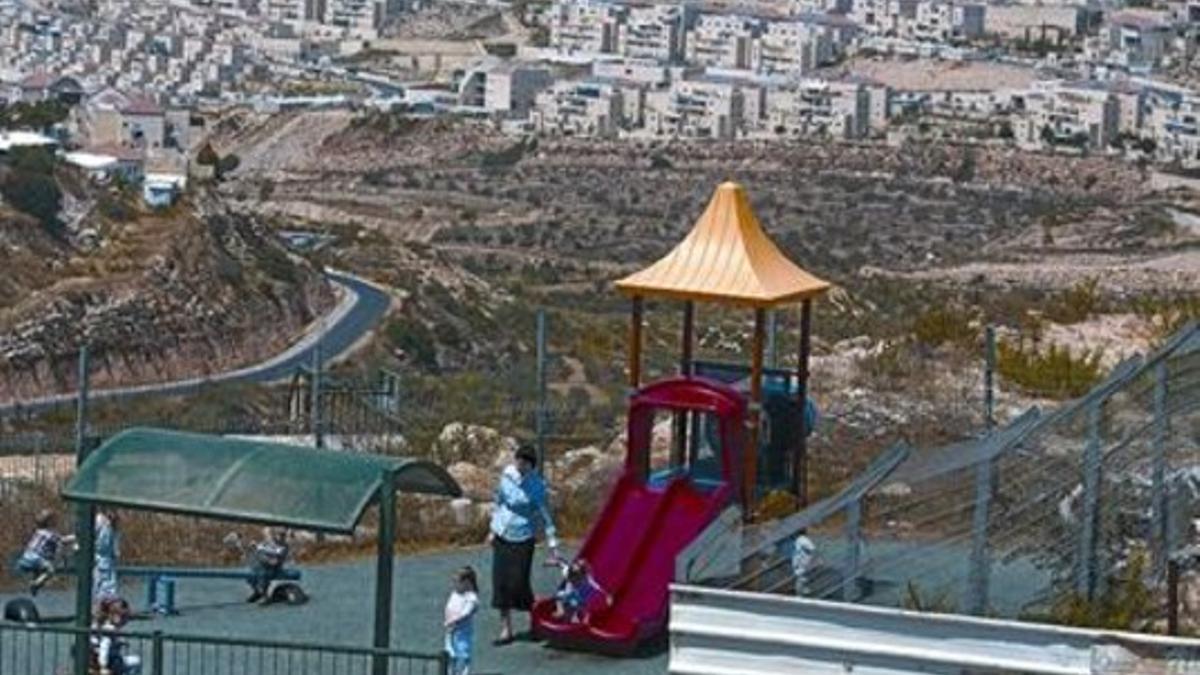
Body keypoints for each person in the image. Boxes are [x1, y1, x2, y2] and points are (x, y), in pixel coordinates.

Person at [488, 444, 558, 645]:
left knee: (519, 583)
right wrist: (492, 530)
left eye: (525, 461)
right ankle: (505, 629)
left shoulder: (537, 485)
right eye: (519, 459)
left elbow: (546, 516)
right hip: (502, 533)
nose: (521, 464)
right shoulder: (507, 476)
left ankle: (535, 621)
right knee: (500, 582)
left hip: (523, 536)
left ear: (532, 465)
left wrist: (552, 545)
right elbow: (499, 502)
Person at [18, 509, 76, 596]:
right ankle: (35, 584)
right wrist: (77, 536)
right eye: (53, 520)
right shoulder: (49, 533)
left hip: (25, 557)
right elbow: (63, 540)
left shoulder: (38, 532)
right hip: (36, 557)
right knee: (50, 571)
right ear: (49, 522)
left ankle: (36, 585)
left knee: (39, 570)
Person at [551, 558, 613, 624]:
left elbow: (595, 585)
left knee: (577, 603)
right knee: (562, 596)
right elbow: (563, 566)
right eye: (575, 564)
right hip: (576, 594)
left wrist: (606, 594)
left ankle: (578, 618)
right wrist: (556, 563)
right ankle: (561, 611)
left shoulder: (586, 577)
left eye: (577, 565)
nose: (574, 565)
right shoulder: (570, 574)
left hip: (583, 596)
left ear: (581, 569)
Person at [443, 567, 479, 675]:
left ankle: (464, 672)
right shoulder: (455, 594)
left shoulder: (471, 598)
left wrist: (452, 620)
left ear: (467, 582)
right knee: (450, 654)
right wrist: (448, 619)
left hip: (462, 632)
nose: (455, 584)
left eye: (457, 581)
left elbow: (466, 613)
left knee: (463, 654)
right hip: (451, 631)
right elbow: (448, 607)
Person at [92, 597, 141, 675]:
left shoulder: (97, 624)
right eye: (125, 618)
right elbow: (104, 647)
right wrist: (103, 667)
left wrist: (120, 642)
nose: (126, 621)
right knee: (136, 661)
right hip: (107, 662)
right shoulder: (109, 629)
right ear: (117, 617)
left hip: (97, 658)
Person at [246, 527, 289, 604]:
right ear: (275, 535)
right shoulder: (267, 543)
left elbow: (281, 556)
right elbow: (260, 553)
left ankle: (264, 595)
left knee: (263, 573)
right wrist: (267, 560)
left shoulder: (284, 546)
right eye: (279, 534)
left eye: (283, 535)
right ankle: (257, 592)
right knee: (251, 574)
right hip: (263, 564)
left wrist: (276, 561)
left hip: (274, 567)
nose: (281, 537)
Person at [94, 510, 121, 603]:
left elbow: (115, 544)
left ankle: (108, 607)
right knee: (99, 586)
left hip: (109, 561)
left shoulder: (113, 527)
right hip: (99, 560)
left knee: (110, 587)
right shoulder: (98, 520)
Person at [791, 529, 818, 597]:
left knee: (800, 577)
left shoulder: (802, 539)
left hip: (803, 562)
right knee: (801, 577)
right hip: (801, 562)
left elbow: (813, 550)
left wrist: (811, 560)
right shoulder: (799, 540)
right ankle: (803, 591)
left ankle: (800, 594)